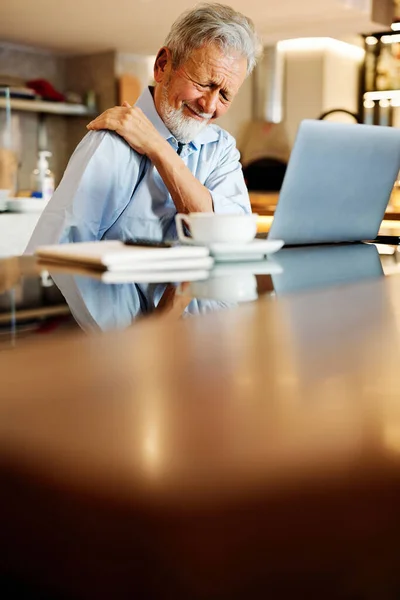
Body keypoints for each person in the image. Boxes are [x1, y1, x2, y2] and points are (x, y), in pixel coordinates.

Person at [26, 3, 261, 252]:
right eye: (203, 83)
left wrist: (157, 147)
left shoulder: (221, 148)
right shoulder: (111, 142)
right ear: (162, 66)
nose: (209, 105)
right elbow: (58, 256)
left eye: (225, 95)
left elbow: (231, 239)